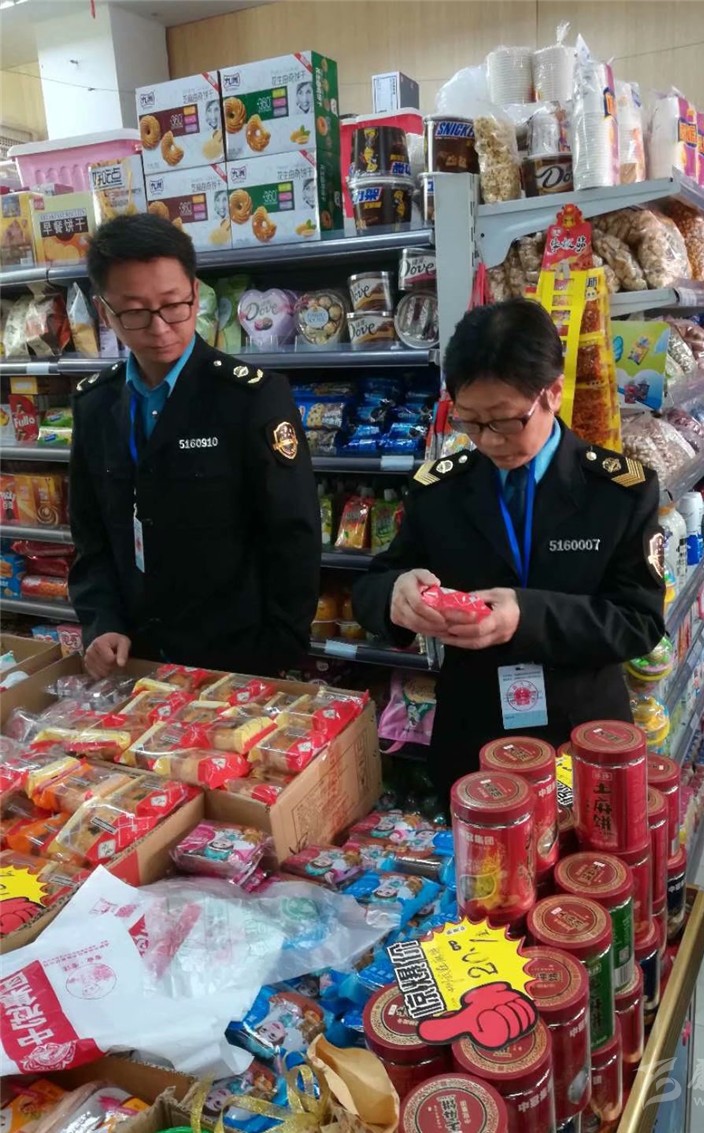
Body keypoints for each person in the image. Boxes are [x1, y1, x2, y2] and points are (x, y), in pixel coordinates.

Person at [353, 299, 666, 799]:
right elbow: (371, 585)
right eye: (470, 422)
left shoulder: (618, 492)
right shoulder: (439, 491)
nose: (489, 441)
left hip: (580, 734)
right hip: (474, 731)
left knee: (582, 843)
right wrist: (395, 595)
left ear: (553, 394)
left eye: (504, 420)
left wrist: (526, 616)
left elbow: (640, 622)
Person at [69, 213, 320, 678]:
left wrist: (277, 650)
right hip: (135, 655)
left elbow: (294, 535)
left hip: (235, 657)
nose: (160, 328)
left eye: (173, 305)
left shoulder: (251, 398)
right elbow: (91, 536)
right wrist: (101, 622)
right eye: (135, 312)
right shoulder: (95, 404)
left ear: (195, 293)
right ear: (105, 312)